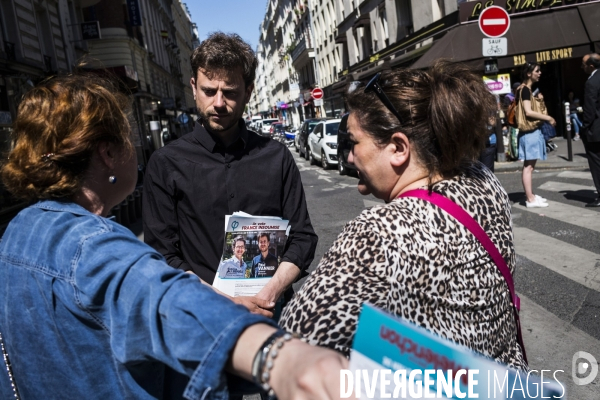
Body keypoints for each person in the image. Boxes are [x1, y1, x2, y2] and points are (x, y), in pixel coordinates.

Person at [0, 74, 347, 399]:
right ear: (108, 153)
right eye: (127, 138)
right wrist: (282, 359)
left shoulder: (16, 232)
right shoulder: (95, 247)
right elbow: (166, 301)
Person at [280, 61, 528, 371]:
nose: (349, 157)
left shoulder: (377, 235)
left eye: (354, 143)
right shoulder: (483, 180)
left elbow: (295, 344)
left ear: (399, 148)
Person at [143, 32, 318, 318]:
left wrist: (269, 293)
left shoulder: (277, 157)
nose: (219, 103)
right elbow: (162, 255)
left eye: (231, 92)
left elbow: (302, 239)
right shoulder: (166, 163)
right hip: (201, 317)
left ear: (248, 92)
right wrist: (223, 302)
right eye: (209, 91)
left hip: (272, 312)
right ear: (194, 88)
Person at [515, 63, 555, 208]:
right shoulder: (525, 90)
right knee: (528, 167)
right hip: (530, 133)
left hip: (531, 133)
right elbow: (528, 112)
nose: (540, 73)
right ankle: (530, 199)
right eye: (537, 71)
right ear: (529, 74)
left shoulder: (525, 89)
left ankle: (530, 195)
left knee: (530, 166)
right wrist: (548, 118)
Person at [581, 53, 600, 207]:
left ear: (591, 66)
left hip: (596, 130)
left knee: (596, 163)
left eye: (584, 64)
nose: (582, 67)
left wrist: (584, 127)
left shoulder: (591, 82)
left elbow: (590, 109)